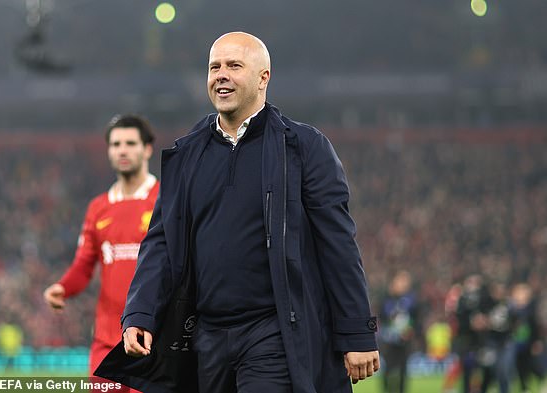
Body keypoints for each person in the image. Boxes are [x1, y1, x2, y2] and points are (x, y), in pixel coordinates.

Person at [120, 31, 380, 393]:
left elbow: (337, 244)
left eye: (234, 66)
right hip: (205, 336)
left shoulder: (303, 147)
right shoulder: (186, 155)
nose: (220, 74)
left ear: (263, 78)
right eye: (214, 67)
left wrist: (355, 331)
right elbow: (161, 242)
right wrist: (140, 312)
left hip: (274, 332)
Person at [43, 114, 158, 382]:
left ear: (147, 149)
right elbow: (84, 264)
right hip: (107, 339)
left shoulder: (165, 200)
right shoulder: (98, 208)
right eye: (116, 144)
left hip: (154, 336)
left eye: (130, 143)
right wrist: (64, 287)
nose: (123, 150)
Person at [378, 270, 422, 393]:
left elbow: (417, 319)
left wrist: (411, 330)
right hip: (389, 340)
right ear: (394, 281)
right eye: (401, 280)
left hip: (405, 340)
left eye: (406, 281)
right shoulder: (386, 298)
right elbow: (382, 317)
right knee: (388, 369)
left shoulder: (412, 299)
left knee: (404, 370)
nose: (404, 284)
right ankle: (387, 389)